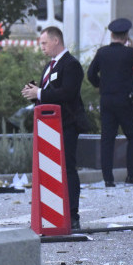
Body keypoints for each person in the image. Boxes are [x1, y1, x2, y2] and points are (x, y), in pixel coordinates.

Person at [21, 26, 86, 230]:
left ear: (56, 40)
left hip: (66, 124)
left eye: (44, 43)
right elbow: (49, 90)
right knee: (51, 170)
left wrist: (39, 93)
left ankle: (72, 214)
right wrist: (35, 92)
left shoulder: (71, 65)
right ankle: (53, 212)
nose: (41, 47)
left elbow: (67, 93)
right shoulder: (50, 66)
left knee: (67, 168)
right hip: (49, 126)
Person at [86, 18, 133, 187]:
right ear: (126, 36)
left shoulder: (102, 52)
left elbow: (91, 74)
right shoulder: (129, 53)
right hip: (125, 101)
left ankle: (108, 178)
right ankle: (131, 175)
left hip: (106, 100)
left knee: (107, 138)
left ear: (112, 35)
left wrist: (101, 86)